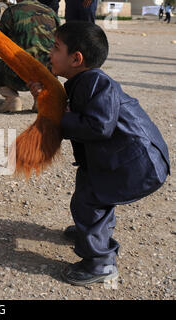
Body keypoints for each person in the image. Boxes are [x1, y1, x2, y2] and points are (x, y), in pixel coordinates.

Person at [28, 21, 170, 286]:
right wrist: (44, 99)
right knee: (92, 194)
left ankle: (100, 263)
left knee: (88, 202)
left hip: (137, 164)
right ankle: (92, 235)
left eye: (56, 47)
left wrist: (59, 116)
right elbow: (65, 111)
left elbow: (98, 126)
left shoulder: (96, 82)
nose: (50, 52)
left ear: (76, 58)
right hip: (120, 159)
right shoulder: (81, 81)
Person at [0, 0, 60, 113]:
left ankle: (12, 99)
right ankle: (41, 99)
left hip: (18, 76)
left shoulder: (11, 12)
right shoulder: (51, 12)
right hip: (45, 76)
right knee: (50, 62)